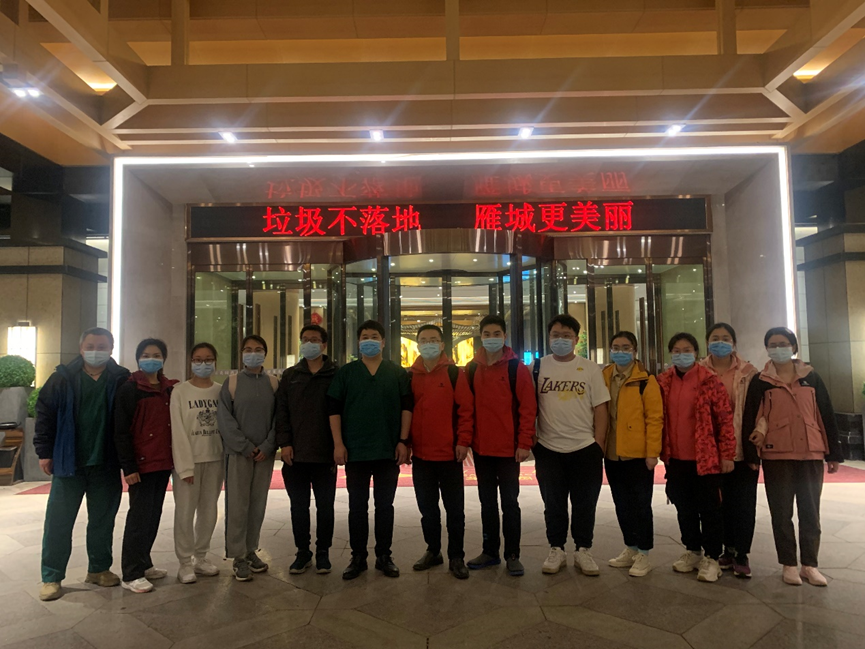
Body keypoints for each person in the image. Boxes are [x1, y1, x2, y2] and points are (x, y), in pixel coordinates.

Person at [34, 328, 131, 601]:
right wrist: (44, 452)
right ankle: (52, 576)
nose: (96, 351)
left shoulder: (121, 379)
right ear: (81, 348)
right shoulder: (62, 378)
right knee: (58, 521)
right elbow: (44, 414)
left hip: (106, 463)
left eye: (102, 346)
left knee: (102, 520)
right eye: (91, 346)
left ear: (111, 349)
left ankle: (99, 569)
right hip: (69, 462)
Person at [742, 327, 843, 587]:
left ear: (794, 347)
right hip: (776, 454)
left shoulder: (811, 377)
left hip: (811, 453)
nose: (778, 348)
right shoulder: (761, 380)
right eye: (773, 344)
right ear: (767, 349)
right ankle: (788, 563)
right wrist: (752, 454)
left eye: (783, 343)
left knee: (810, 511)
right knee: (781, 512)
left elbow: (825, 414)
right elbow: (751, 417)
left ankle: (810, 565)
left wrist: (833, 453)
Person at [328, 320, 413, 580]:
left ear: (383, 342)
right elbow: (334, 409)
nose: (369, 340)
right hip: (356, 450)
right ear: (358, 342)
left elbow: (407, 408)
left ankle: (384, 556)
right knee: (357, 507)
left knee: (385, 506)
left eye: (374, 336)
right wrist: (338, 443)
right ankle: (358, 557)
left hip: (388, 450)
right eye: (365, 337)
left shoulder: (396, 372)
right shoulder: (347, 373)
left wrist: (403, 441)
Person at [534, 314, 609, 577]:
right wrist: (533, 441)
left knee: (585, 504)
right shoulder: (537, 367)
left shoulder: (590, 369)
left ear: (576, 339)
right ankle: (556, 549)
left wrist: (598, 444)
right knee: (553, 504)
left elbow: (601, 408)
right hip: (548, 448)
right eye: (556, 335)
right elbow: (528, 406)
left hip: (585, 448)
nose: (561, 340)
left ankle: (583, 549)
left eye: (566, 336)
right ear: (549, 338)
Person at [658, 333, 736, 583]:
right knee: (684, 508)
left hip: (705, 459)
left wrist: (727, 454)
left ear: (696, 353)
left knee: (709, 509)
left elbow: (725, 420)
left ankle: (712, 557)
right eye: (676, 350)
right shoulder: (663, 381)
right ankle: (692, 550)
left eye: (687, 350)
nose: (682, 355)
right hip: (675, 458)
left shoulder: (709, 381)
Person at [465, 315, 537, 577]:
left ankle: (513, 555)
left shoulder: (516, 368)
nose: (491, 338)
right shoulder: (471, 368)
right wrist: (467, 442)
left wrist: (524, 443)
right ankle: (490, 551)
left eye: (497, 333)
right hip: (482, 449)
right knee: (486, 503)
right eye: (487, 333)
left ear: (504, 336)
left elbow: (528, 408)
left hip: (509, 450)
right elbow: (467, 409)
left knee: (510, 503)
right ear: (481, 336)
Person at [408, 324, 474, 580]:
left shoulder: (454, 373)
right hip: (421, 456)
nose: (429, 344)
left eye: (433, 340)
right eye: (424, 340)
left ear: (442, 344)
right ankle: (433, 550)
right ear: (418, 345)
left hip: (449, 454)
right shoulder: (410, 375)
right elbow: (406, 411)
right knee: (427, 509)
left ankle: (456, 556)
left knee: (455, 510)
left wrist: (463, 441)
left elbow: (465, 410)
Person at [114, 338, 178, 594]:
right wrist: (128, 467)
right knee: (138, 518)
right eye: (146, 355)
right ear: (138, 358)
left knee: (153, 516)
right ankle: (131, 573)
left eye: (157, 355)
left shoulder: (168, 389)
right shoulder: (129, 389)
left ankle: (144, 562)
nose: (152, 359)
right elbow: (121, 431)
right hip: (141, 465)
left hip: (162, 462)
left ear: (164, 359)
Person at [275, 325, 338, 575]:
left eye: (314, 339)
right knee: (298, 507)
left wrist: (339, 445)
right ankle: (303, 552)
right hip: (295, 454)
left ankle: (323, 553)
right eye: (305, 340)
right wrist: (285, 443)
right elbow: (281, 411)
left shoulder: (335, 374)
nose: (309, 343)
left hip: (325, 453)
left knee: (326, 506)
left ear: (324, 344)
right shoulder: (291, 375)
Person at [700, 323, 759, 578]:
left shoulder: (749, 373)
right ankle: (726, 548)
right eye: (715, 338)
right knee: (716, 504)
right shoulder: (698, 372)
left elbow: (758, 410)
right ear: (707, 343)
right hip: (709, 450)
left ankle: (742, 552)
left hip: (741, 448)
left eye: (725, 338)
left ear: (734, 343)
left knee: (743, 503)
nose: (720, 342)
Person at [602, 331, 663, 578]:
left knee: (641, 505)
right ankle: (631, 547)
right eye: (616, 347)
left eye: (626, 347)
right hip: (611, 452)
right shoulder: (604, 376)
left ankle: (644, 553)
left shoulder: (646, 380)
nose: (620, 351)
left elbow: (655, 418)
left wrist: (652, 453)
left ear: (635, 351)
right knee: (621, 504)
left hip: (637, 455)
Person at [218, 334, 278, 582]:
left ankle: (251, 550)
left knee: (257, 504)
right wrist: (244, 446)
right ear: (241, 353)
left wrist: (268, 445)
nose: (253, 353)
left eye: (258, 349)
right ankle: (238, 556)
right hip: (238, 454)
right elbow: (225, 419)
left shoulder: (273, 383)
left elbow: (279, 418)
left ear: (265, 353)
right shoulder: (231, 383)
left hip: (264, 455)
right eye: (248, 349)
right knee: (237, 505)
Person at [170, 342, 224, 584]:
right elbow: (177, 431)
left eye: (208, 359)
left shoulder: (221, 391)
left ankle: (200, 557)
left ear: (215, 362)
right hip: (189, 461)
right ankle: (184, 563)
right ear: (191, 362)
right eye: (198, 359)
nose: (203, 363)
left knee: (209, 511)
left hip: (215, 459)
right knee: (184, 513)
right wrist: (185, 466)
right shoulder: (180, 392)